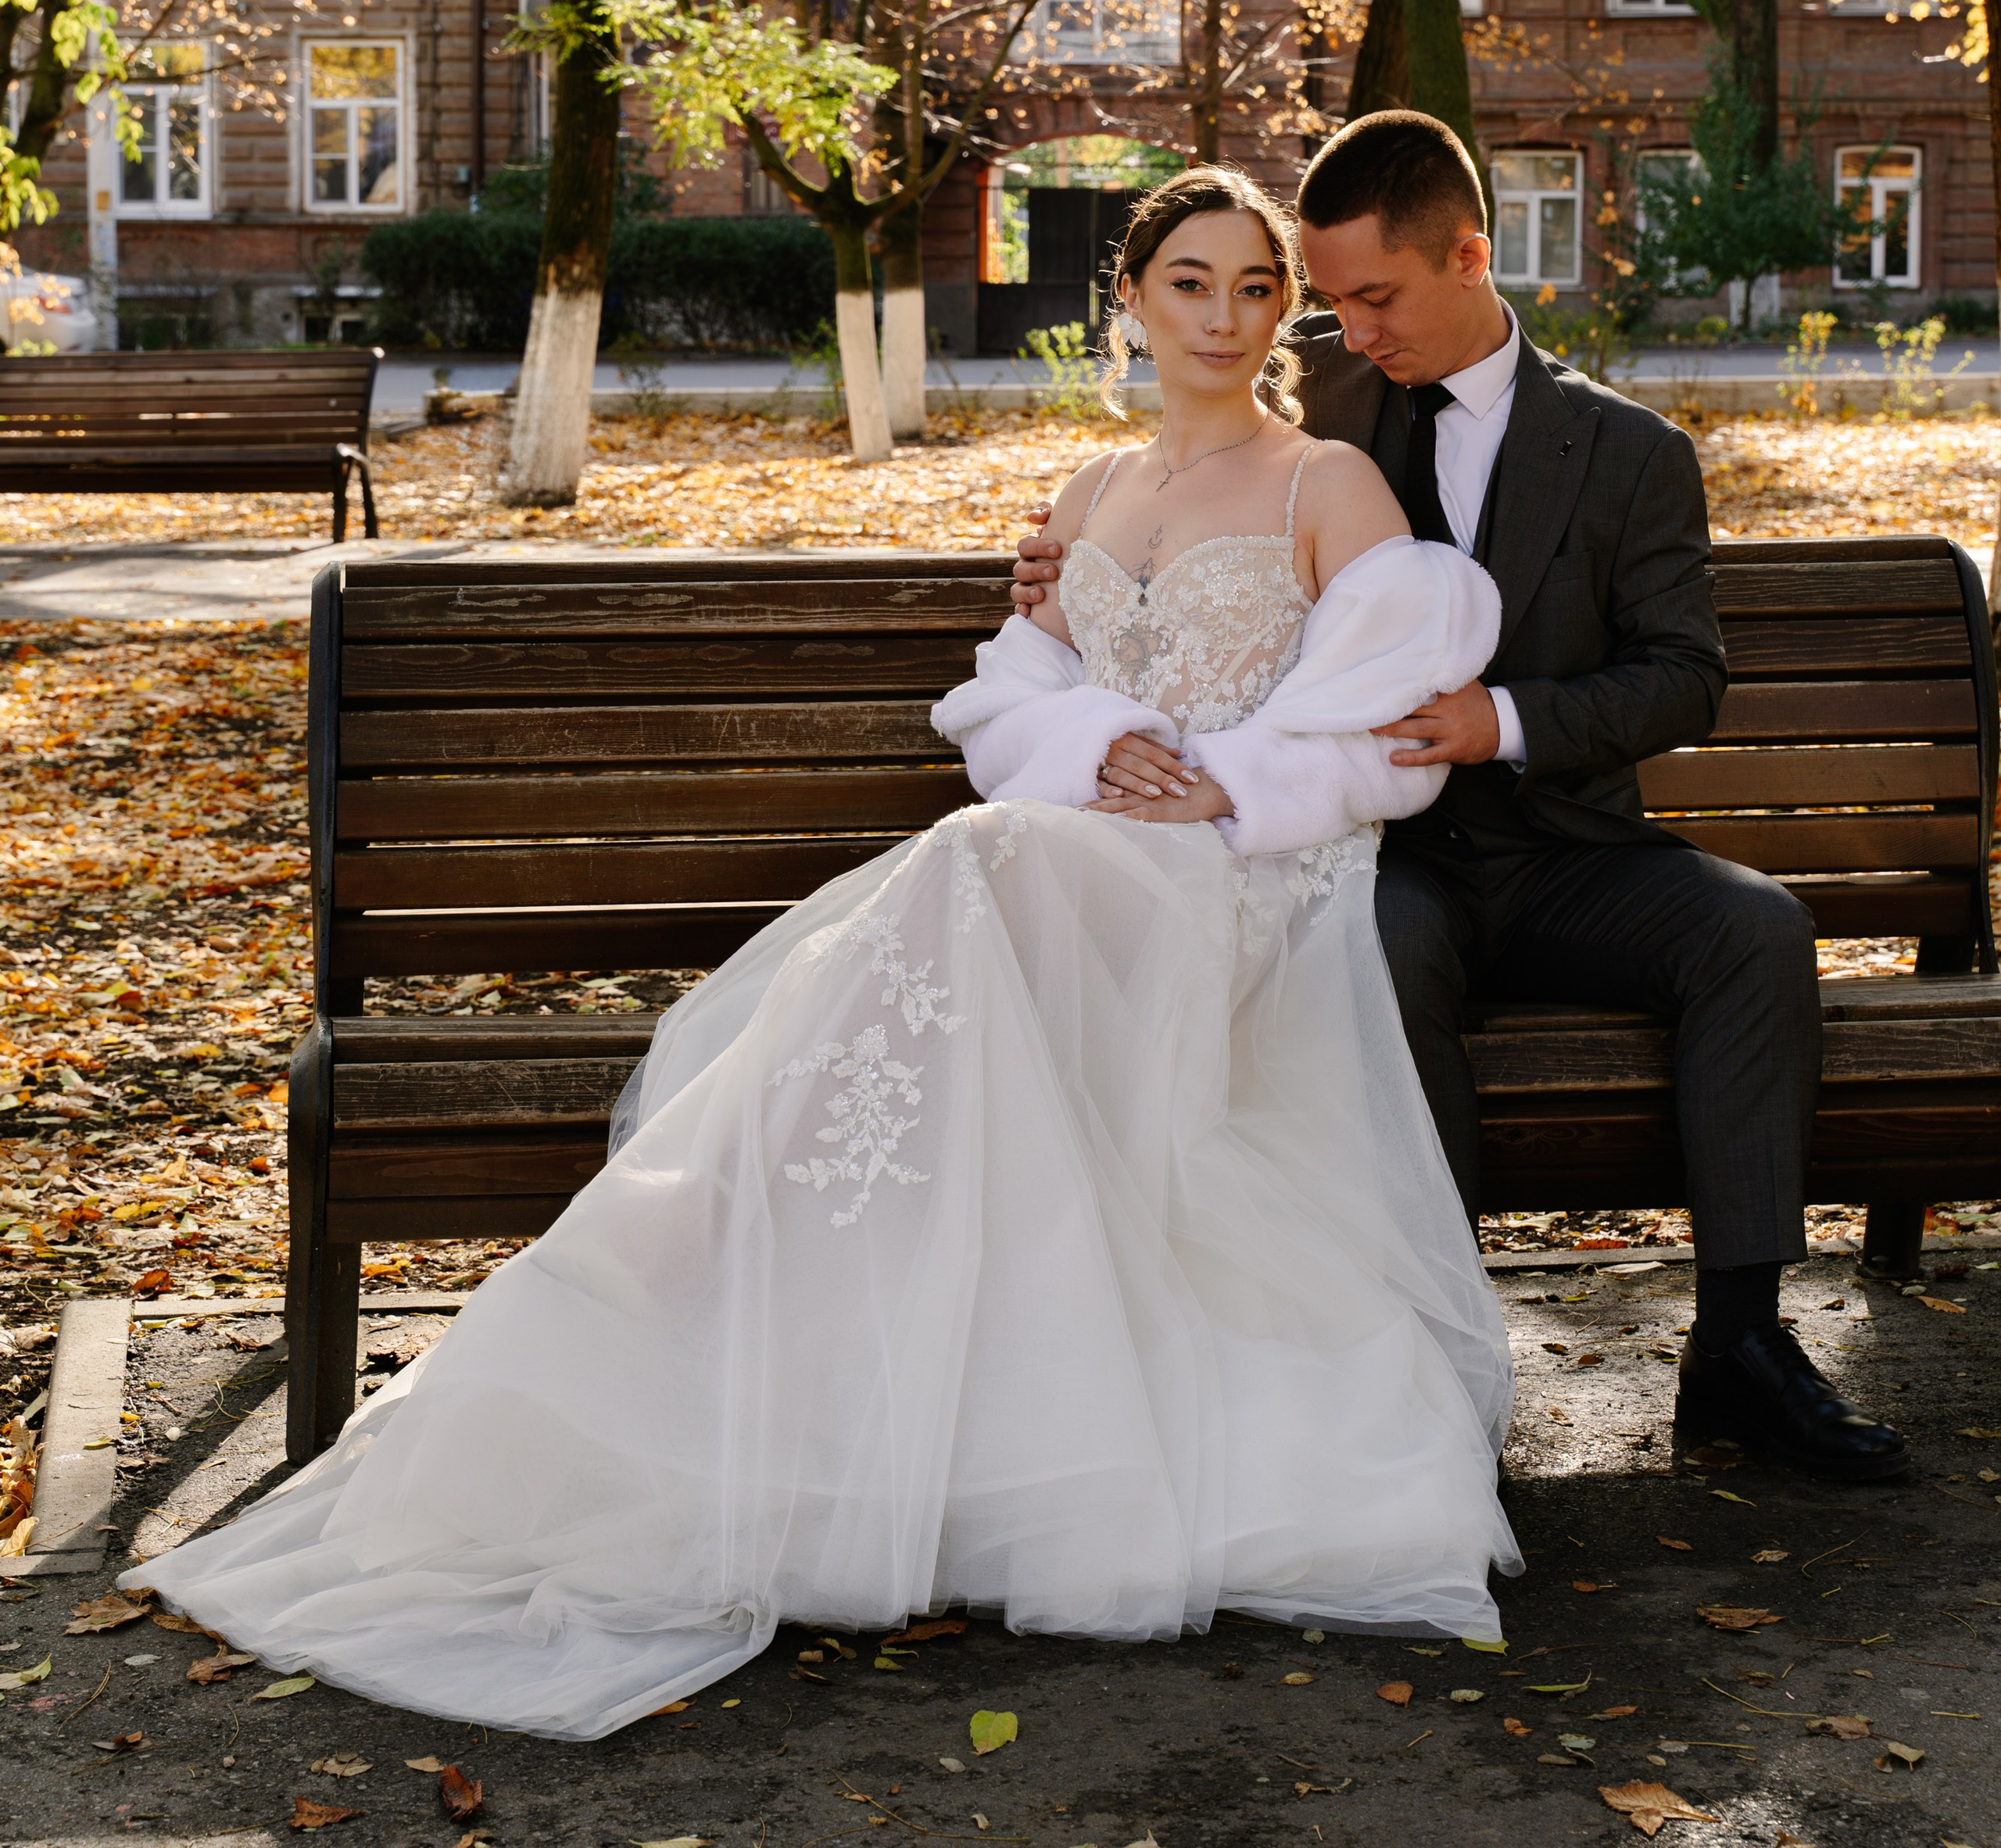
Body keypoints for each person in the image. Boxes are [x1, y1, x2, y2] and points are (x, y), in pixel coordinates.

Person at [127, 166, 1522, 1740]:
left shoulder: (1323, 483)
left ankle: (706, 1222)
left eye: (1256, 287)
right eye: (1187, 282)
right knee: (978, 872)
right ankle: (714, 1283)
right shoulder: (1081, 504)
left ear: (1289, 309)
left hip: (1229, 886)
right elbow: (1000, 712)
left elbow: (1389, 737)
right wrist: (1099, 732)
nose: (1222, 316)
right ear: (1125, 301)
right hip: (1073, 867)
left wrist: (1225, 785)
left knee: (972, 872)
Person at [1014, 113, 1906, 1484]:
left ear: (1471, 255)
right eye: (1326, 300)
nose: (1345, 330)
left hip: (1560, 853)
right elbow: (1173, 490)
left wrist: (1503, 720)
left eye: (1374, 297)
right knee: (1385, 945)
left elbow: (1683, 680)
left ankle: (1740, 1345)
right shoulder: (1310, 391)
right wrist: (1062, 575)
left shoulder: (1628, 456)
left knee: (1756, 931)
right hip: (1370, 850)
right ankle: (1438, 1347)